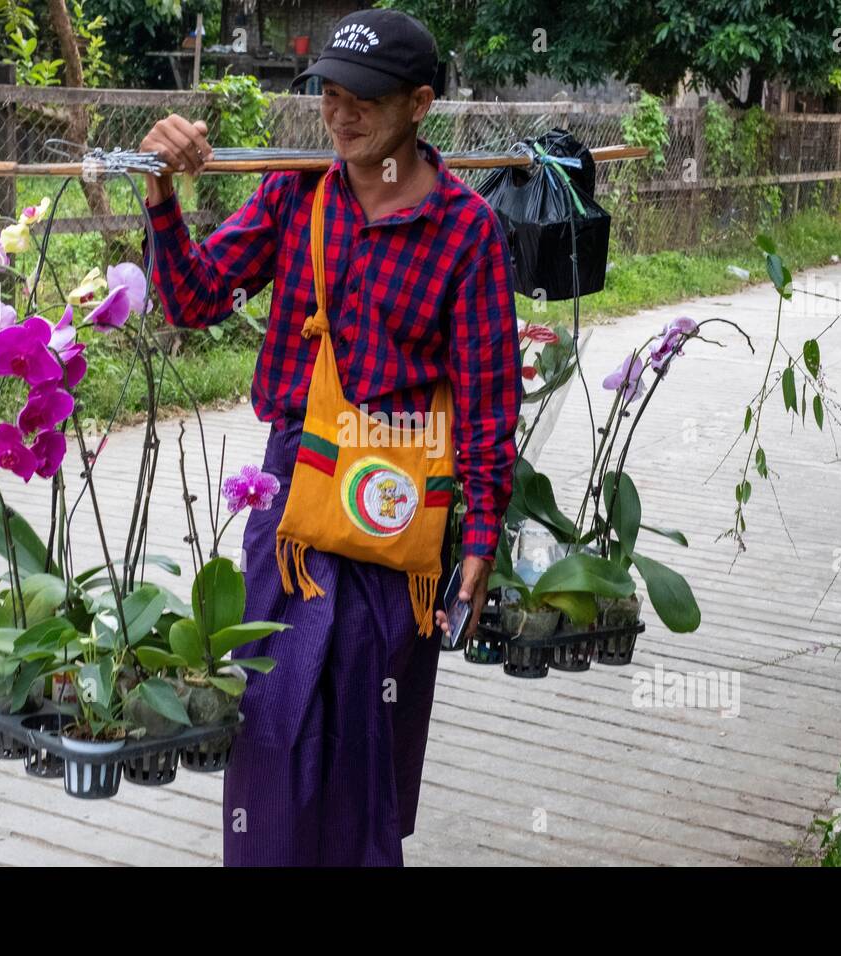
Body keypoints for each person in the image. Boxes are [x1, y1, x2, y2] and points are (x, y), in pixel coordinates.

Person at [139, 8, 522, 866]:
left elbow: (491, 400)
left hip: (396, 504)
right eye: (331, 96)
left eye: (367, 101)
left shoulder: (465, 231)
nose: (342, 116)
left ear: (420, 104)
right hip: (294, 498)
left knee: (366, 723)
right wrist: (164, 194)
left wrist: (484, 535)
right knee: (271, 714)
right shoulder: (295, 192)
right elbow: (195, 301)